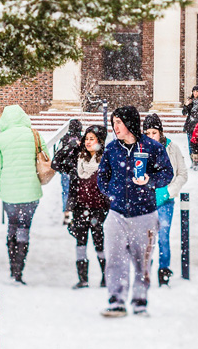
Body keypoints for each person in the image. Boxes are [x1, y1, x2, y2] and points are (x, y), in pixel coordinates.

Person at [97, 106, 174, 317]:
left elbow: (168, 173)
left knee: (143, 261)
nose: (115, 127)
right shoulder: (112, 149)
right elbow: (102, 177)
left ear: (130, 123)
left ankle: (140, 301)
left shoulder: (151, 147)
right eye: (113, 123)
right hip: (117, 213)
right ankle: (116, 300)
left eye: (119, 122)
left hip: (145, 214)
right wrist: (112, 192)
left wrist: (151, 180)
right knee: (114, 258)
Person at [0, 105, 48, 284]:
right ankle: (19, 269)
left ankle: (12, 264)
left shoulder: (1, 140)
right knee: (24, 229)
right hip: (31, 192)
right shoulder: (34, 135)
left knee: (12, 227)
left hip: (9, 194)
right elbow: (46, 158)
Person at [52, 125, 111, 289]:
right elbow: (55, 164)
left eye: (92, 139)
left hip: (99, 209)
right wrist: (70, 146)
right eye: (86, 139)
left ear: (100, 141)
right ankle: (83, 279)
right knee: (80, 244)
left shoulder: (106, 160)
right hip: (79, 209)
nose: (88, 142)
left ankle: (106, 277)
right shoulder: (77, 159)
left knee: (100, 244)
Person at [143, 113, 189, 287]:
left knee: (163, 237)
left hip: (165, 201)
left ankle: (164, 272)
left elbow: (182, 174)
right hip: (146, 200)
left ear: (160, 132)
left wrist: (168, 192)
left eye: (153, 132)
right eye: (147, 133)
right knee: (147, 239)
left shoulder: (172, 148)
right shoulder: (140, 150)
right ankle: (145, 272)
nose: (150, 137)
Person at [56, 119, 84, 225]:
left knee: (66, 192)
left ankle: (67, 214)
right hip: (78, 170)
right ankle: (77, 214)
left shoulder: (65, 139)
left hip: (66, 170)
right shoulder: (82, 139)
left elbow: (58, 152)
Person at [182, 86, 198, 170]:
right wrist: (186, 105)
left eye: (197, 91)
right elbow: (184, 112)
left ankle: (197, 161)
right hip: (190, 125)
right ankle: (192, 161)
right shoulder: (190, 101)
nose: (195, 93)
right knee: (190, 144)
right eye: (194, 91)